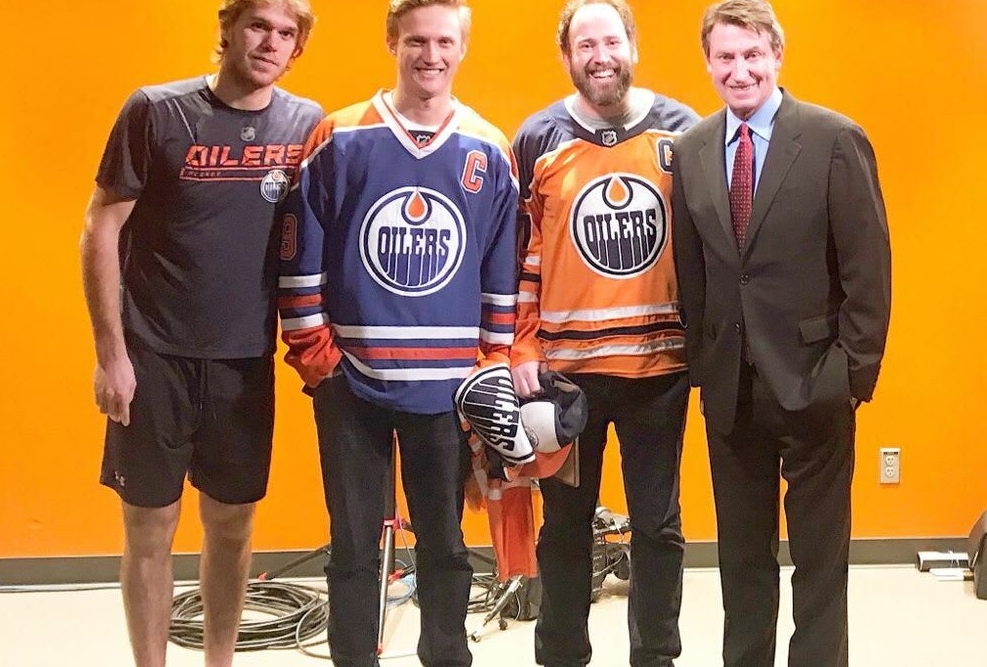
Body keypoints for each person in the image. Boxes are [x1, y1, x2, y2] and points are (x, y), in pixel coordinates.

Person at [276, 1, 520, 665]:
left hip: (446, 391)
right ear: (392, 41)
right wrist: (319, 361)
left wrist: (490, 366)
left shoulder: (488, 148)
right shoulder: (340, 135)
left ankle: (446, 655)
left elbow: (501, 273)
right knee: (354, 548)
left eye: (444, 41)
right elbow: (299, 261)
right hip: (349, 383)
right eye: (416, 40)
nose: (430, 54)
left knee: (443, 543)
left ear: (462, 48)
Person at [79, 1, 321, 665]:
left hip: (245, 360)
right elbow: (102, 227)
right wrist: (112, 355)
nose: (270, 41)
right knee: (150, 526)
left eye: (285, 32)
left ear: (297, 47)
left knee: (233, 525)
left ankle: (219, 660)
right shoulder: (156, 111)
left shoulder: (307, 124)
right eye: (257, 25)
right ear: (227, 29)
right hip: (154, 357)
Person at [670, 1, 891, 665]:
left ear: (776, 57)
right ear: (708, 63)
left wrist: (851, 376)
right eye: (725, 58)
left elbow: (868, 270)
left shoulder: (832, 139)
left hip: (815, 381)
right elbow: (693, 272)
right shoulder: (691, 149)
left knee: (820, 564)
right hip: (731, 393)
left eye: (752, 55)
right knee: (742, 563)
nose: (739, 71)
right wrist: (705, 370)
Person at [509, 1, 699, 665]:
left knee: (658, 527)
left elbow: (708, 253)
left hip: (660, 373)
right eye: (584, 44)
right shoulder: (537, 138)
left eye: (610, 40)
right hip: (564, 381)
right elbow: (517, 258)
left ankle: (656, 655)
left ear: (632, 45)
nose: (599, 55)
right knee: (563, 529)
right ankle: (561, 654)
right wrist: (521, 346)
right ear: (568, 57)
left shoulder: (684, 132)